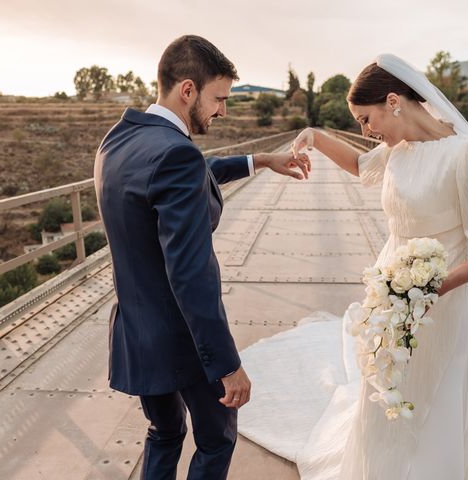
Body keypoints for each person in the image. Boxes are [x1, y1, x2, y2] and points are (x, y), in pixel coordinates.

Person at [238, 54, 468, 479]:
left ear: (393, 101)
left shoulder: (465, 154)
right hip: (390, 286)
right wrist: (313, 135)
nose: (367, 131)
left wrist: (437, 287)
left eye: (366, 119)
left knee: (431, 391)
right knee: (381, 382)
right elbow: (359, 166)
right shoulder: (397, 151)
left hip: (444, 294)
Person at [94, 35, 310, 480]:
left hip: (136, 331)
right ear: (187, 90)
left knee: (165, 433)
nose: (223, 110)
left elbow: (181, 177)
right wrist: (228, 365)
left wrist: (259, 160)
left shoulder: (120, 141)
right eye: (219, 98)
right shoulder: (175, 154)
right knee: (216, 440)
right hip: (184, 340)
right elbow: (191, 276)